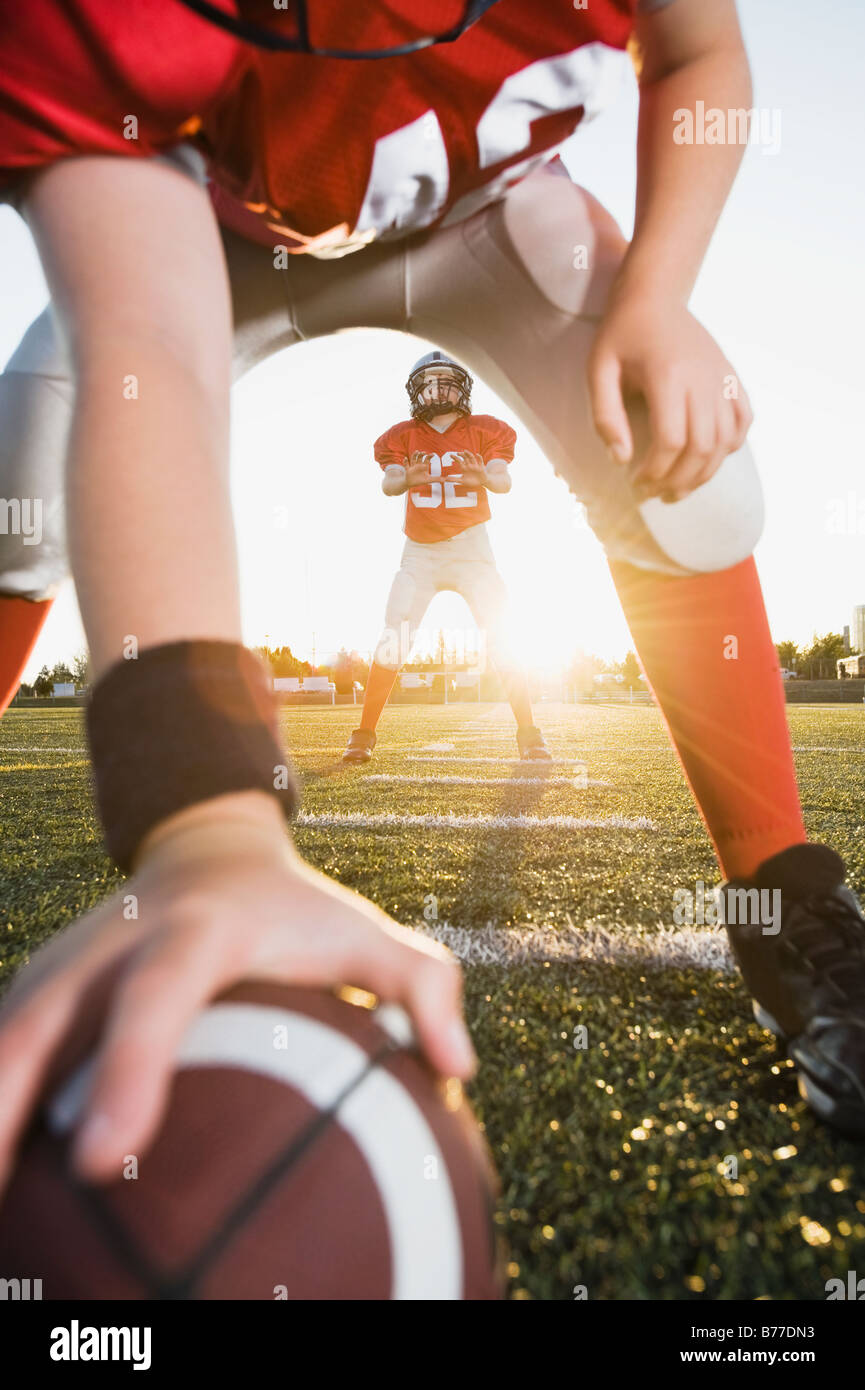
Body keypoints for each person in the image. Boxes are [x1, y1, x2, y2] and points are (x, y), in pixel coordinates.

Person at [0, 0, 863, 1210]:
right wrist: (202, 817)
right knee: (22, 472)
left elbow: (699, 49)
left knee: (695, 482)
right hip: (207, 232)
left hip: (488, 216)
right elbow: (151, 339)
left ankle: (789, 895)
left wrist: (657, 294)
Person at [343, 350, 551, 764]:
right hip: (420, 551)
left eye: (446, 379)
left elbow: (504, 481)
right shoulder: (401, 436)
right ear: (416, 389)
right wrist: (405, 479)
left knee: (502, 635)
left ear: (463, 387)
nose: (438, 388)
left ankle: (530, 735)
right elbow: (389, 483)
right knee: (394, 635)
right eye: (430, 380)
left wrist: (486, 477)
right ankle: (363, 736)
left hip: (472, 548)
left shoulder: (486, 430)